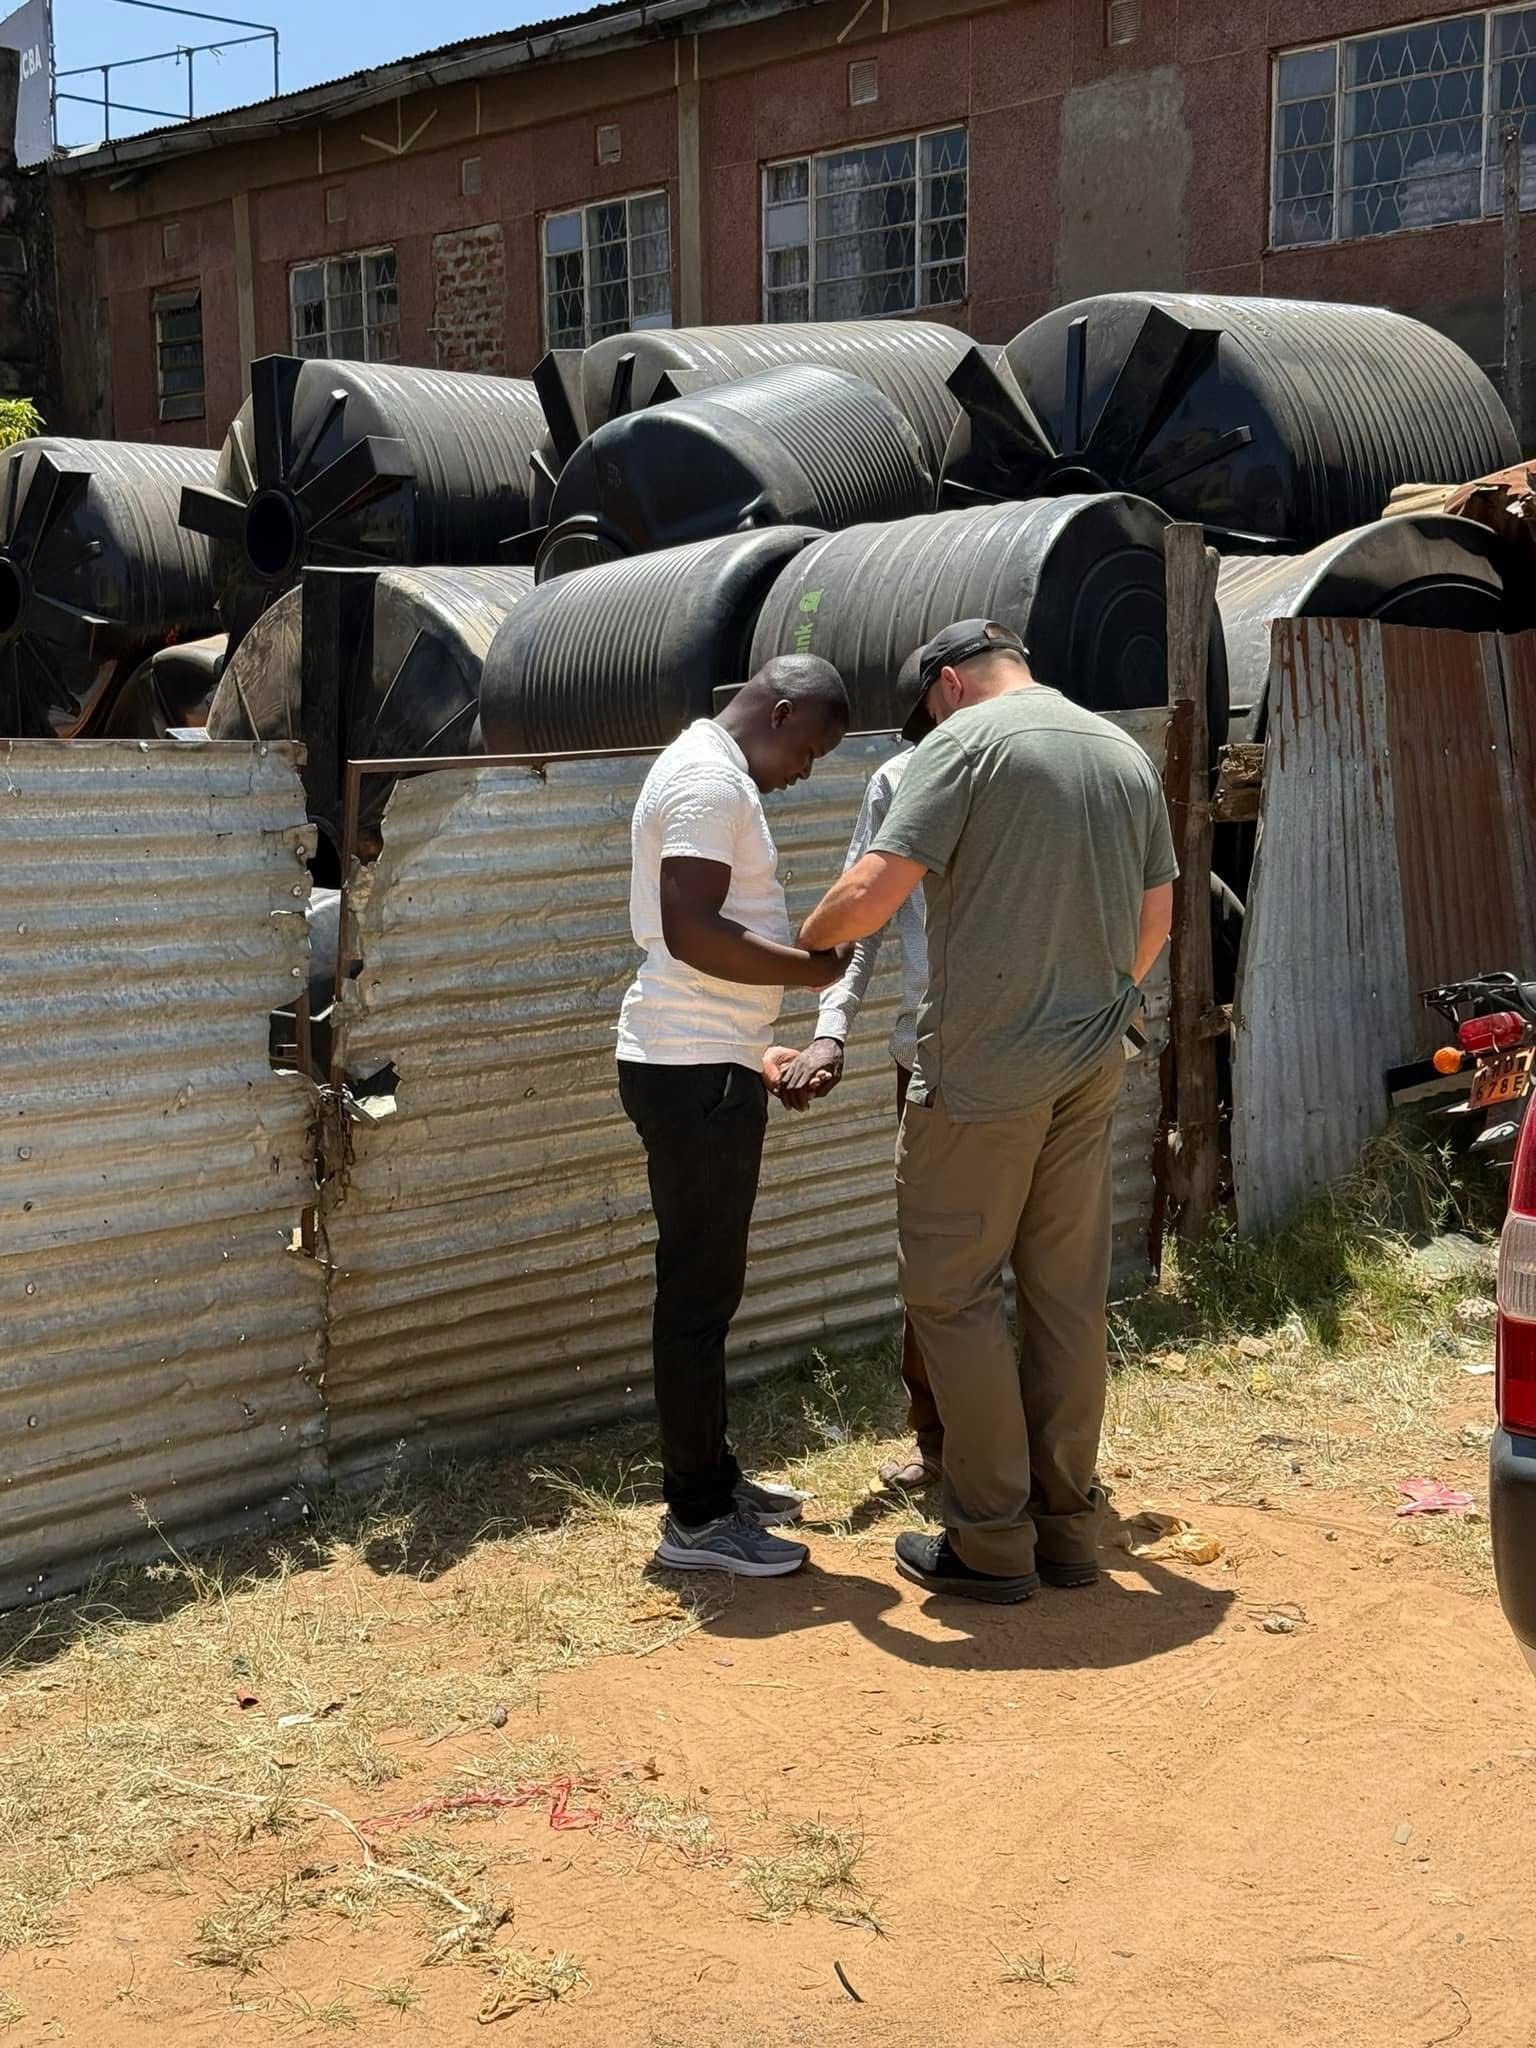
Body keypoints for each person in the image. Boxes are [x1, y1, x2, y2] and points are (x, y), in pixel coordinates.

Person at [798, 620, 1176, 1605]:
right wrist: (1104, 1008)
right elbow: (1159, 917)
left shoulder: (963, 745)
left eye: (928, 708)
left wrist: (813, 931)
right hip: (1088, 1066)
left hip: (979, 1077)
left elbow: (872, 893)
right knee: (1063, 1295)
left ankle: (993, 1537)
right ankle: (1067, 1528)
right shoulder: (1120, 752)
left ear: (953, 685)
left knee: (952, 1295)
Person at [617, 655, 852, 1579]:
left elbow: (688, 951)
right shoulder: (711, 780)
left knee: (706, 1295)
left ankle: (712, 1476)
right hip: (689, 1077)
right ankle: (698, 1520)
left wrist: (753, 1047)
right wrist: (810, 971)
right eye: (812, 746)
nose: (807, 770)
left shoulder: (701, 769)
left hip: (703, 1063)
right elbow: (691, 929)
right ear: (781, 710)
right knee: (696, 1300)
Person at [775, 715, 943, 1493]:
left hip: (1021, 1060)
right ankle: (939, 1442)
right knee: (932, 1257)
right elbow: (864, 921)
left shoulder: (1052, 769)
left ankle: (1035, 1455)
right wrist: (832, 1030)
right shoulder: (902, 781)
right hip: (928, 1061)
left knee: (1030, 1264)